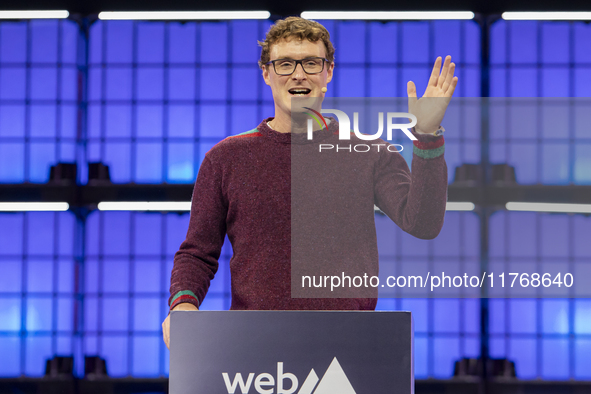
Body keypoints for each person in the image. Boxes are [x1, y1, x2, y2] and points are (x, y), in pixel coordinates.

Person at [162, 16, 457, 348]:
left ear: (328, 72)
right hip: (254, 350)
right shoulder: (226, 158)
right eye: (285, 64)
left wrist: (428, 135)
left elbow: (423, 223)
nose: (298, 74)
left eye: (311, 63)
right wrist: (182, 306)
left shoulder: (370, 152)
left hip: (348, 344)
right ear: (266, 73)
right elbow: (197, 252)